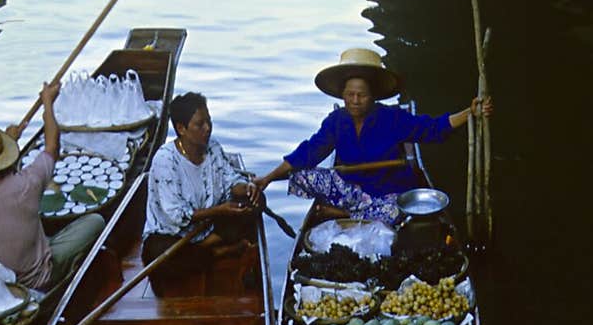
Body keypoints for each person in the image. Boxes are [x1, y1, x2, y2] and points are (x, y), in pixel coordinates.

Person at [254, 48, 493, 225]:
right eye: (350, 95)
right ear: (342, 95)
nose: (355, 101)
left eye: (362, 95)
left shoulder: (393, 118)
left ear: (373, 96)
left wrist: (469, 113)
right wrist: (267, 178)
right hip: (349, 189)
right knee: (301, 176)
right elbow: (306, 153)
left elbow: (433, 128)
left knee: (396, 212)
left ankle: (342, 215)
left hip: (386, 192)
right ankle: (351, 210)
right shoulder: (336, 122)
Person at [0, 80, 105, 292]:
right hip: (37, 280)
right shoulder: (27, 185)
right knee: (96, 220)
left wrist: (10, 141)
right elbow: (52, 145)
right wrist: (47, 103)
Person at [141, 92, 262, 289]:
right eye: (200, 124)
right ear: (181, 128)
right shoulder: (165, 160)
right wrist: (219, 211)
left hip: (209, 227)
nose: (208, 129)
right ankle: (217, 251)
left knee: (257, 201)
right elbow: (175, 216)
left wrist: (246, 188)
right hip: (172, 235)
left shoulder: (212, 147)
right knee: (158, 257)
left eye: (209, 122)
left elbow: (230, 178)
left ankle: (204, 247)